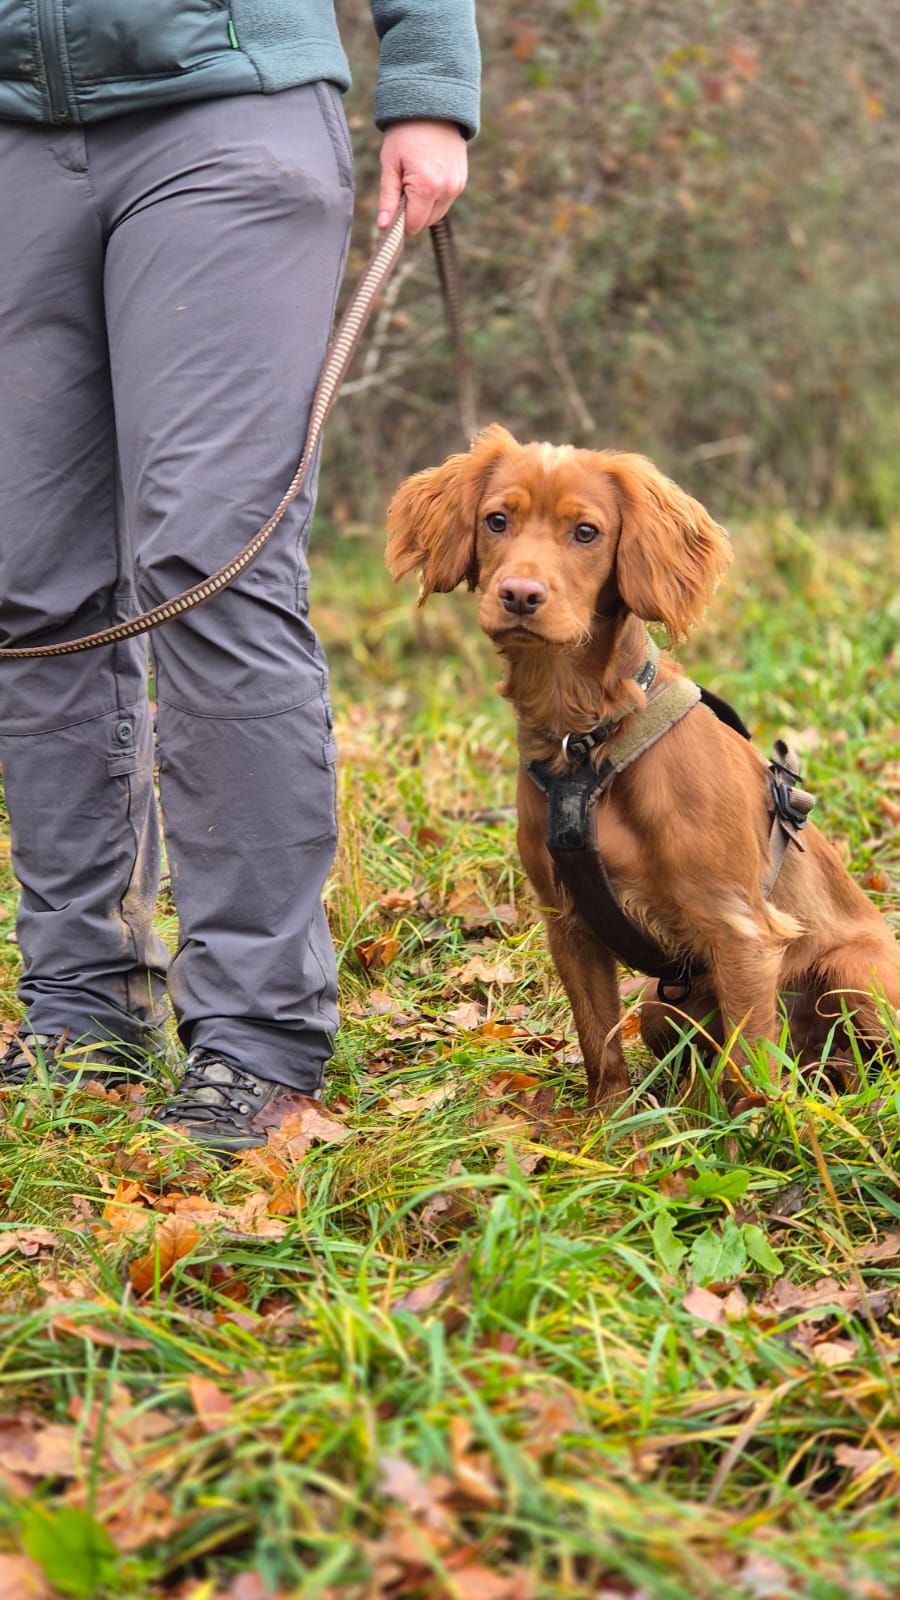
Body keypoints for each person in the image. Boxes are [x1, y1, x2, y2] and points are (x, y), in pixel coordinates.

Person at [0, 4, 480, 1153]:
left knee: (210, 562)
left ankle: (258, 1037)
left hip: (225, 105)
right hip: (16, 130)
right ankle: (82, 1009)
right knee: (31, 590)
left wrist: (428, 86)